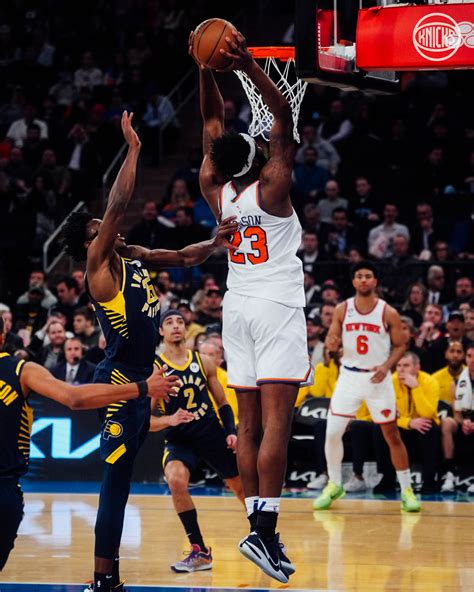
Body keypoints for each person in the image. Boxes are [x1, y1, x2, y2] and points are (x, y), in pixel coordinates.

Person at [61, 111, 238, 592]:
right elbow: (118, 202)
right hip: (122, 381)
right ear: (90, 241)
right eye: (101, 227)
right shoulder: (99, 269)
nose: (113, 229)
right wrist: (135, 150)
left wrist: (215, 242)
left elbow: (182, 257)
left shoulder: (131, 256)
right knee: (115, 487)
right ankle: (103, 578)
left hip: (146, 378)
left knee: (131, 481)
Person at [192, 28, 310, 583]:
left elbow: (211, 128)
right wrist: (249, 67)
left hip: (236, 308)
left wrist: (204, 69)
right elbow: (283, 115)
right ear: (259, 154)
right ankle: (264, 535)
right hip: (276, 307)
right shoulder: (276, 187)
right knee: (277, 428)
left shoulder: (216, 188)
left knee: (248, 425)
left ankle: (258, 531)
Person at [0, 315, 176, 572]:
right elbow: (74, 398)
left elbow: (75, 398)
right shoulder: (21, 370)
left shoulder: (21, 370)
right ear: (4, 336)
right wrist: (142, 387)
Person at [313, 261, 421, 513]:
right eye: (359, 276)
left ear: (375, 282)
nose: (363, 280)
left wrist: (386, 366)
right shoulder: (342, 309)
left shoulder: (388, 312)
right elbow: (332, 342)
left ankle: (407, 490)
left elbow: (401, 345)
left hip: (377, 379)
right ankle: (334, 483)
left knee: (391, 435)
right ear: (353, 281)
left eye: (368, 276)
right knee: (331, 433)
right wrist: (331, 345)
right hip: (349, 377)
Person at [150, 310, 243, 572]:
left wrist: (230, 431)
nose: (176, 326)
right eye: (169, 323)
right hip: (179, 439)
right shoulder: (155, 369)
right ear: (161, 332)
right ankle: (199, 551)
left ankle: (264, 538)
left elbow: (223, 403)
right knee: (176, 480)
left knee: (242, 490)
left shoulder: (203, 361)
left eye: (180, 321)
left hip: (210, 433)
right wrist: (169, 420)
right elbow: (145, 420)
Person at [453, 344, 474, 494]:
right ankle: (449, 473)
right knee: (447, 424)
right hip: (467, 418)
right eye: (469, 356)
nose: (472, 360)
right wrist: (464, 422)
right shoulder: (458, 380)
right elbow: (456, 413)